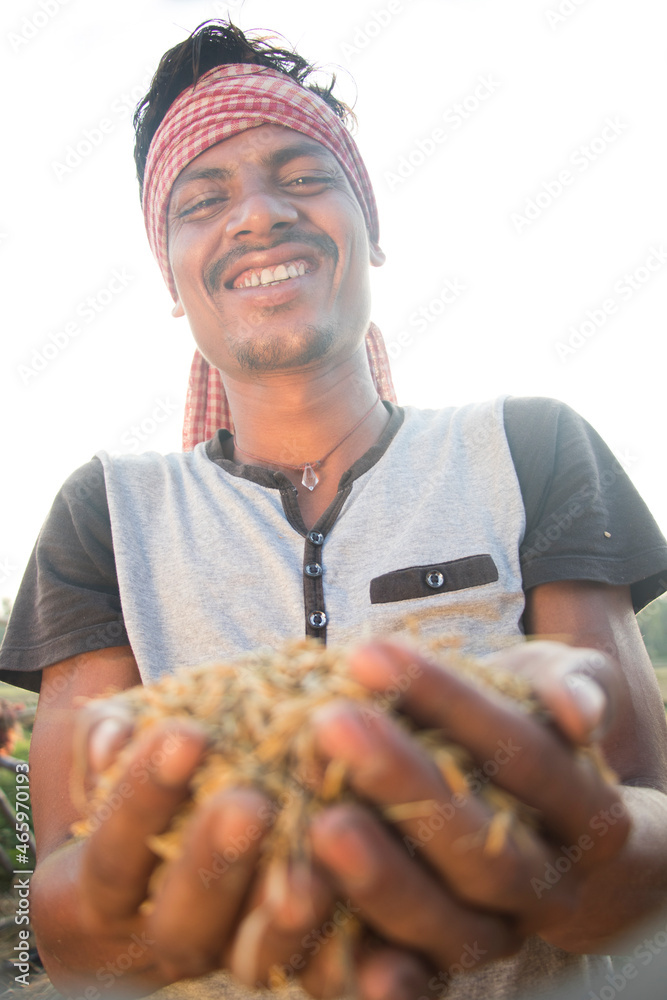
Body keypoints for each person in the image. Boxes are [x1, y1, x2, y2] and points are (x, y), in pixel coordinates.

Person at [1, 18, 667, 1000]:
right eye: (203, 197)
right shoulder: (106, 512)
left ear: (372, 226)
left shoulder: (526, 448)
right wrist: (122, 923)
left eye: (303, 175)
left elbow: (641, 810)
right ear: (170, 276)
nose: (258, 214)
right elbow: (66, 915)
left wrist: (589, 865)